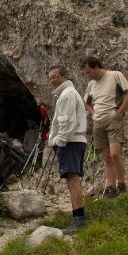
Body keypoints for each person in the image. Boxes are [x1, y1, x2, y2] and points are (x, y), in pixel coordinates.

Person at [81, 56, 128, 198]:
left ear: (96, 67)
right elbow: (86, 102)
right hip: (98, 122)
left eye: (89, 72)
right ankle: (110, 187)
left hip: (113, 118)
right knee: (106, 156)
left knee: (115, 153)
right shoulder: (92, 84)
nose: (88, 76)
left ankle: (122, 185)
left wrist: (119, 113)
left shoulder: (115, 75)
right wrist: (93, 113)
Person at [48, 65, 89, 234]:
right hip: (74, 141)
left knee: (72, 181)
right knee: (73, 180)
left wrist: (60, 142)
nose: (52, 81)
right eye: (50, 78)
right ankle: (78, 216)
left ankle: (79, 219)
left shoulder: (67, 95)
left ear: (65, 76)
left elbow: (68, 121)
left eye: (55, 77)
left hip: (70, 142)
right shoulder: (68, 94)